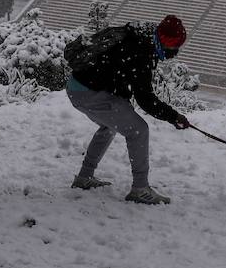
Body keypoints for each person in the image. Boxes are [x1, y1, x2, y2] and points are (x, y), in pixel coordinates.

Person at [65, 14, 191, 205]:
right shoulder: (141, 51)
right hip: (89, 92)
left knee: (109, 127)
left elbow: (115, 69)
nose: (175, 52)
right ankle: (140, 188)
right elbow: (146, 99)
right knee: (139, 130)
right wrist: (174, 116)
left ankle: (84, 177)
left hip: (77, 87)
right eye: (174, 47)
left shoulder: (137, 35)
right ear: (166, 42)